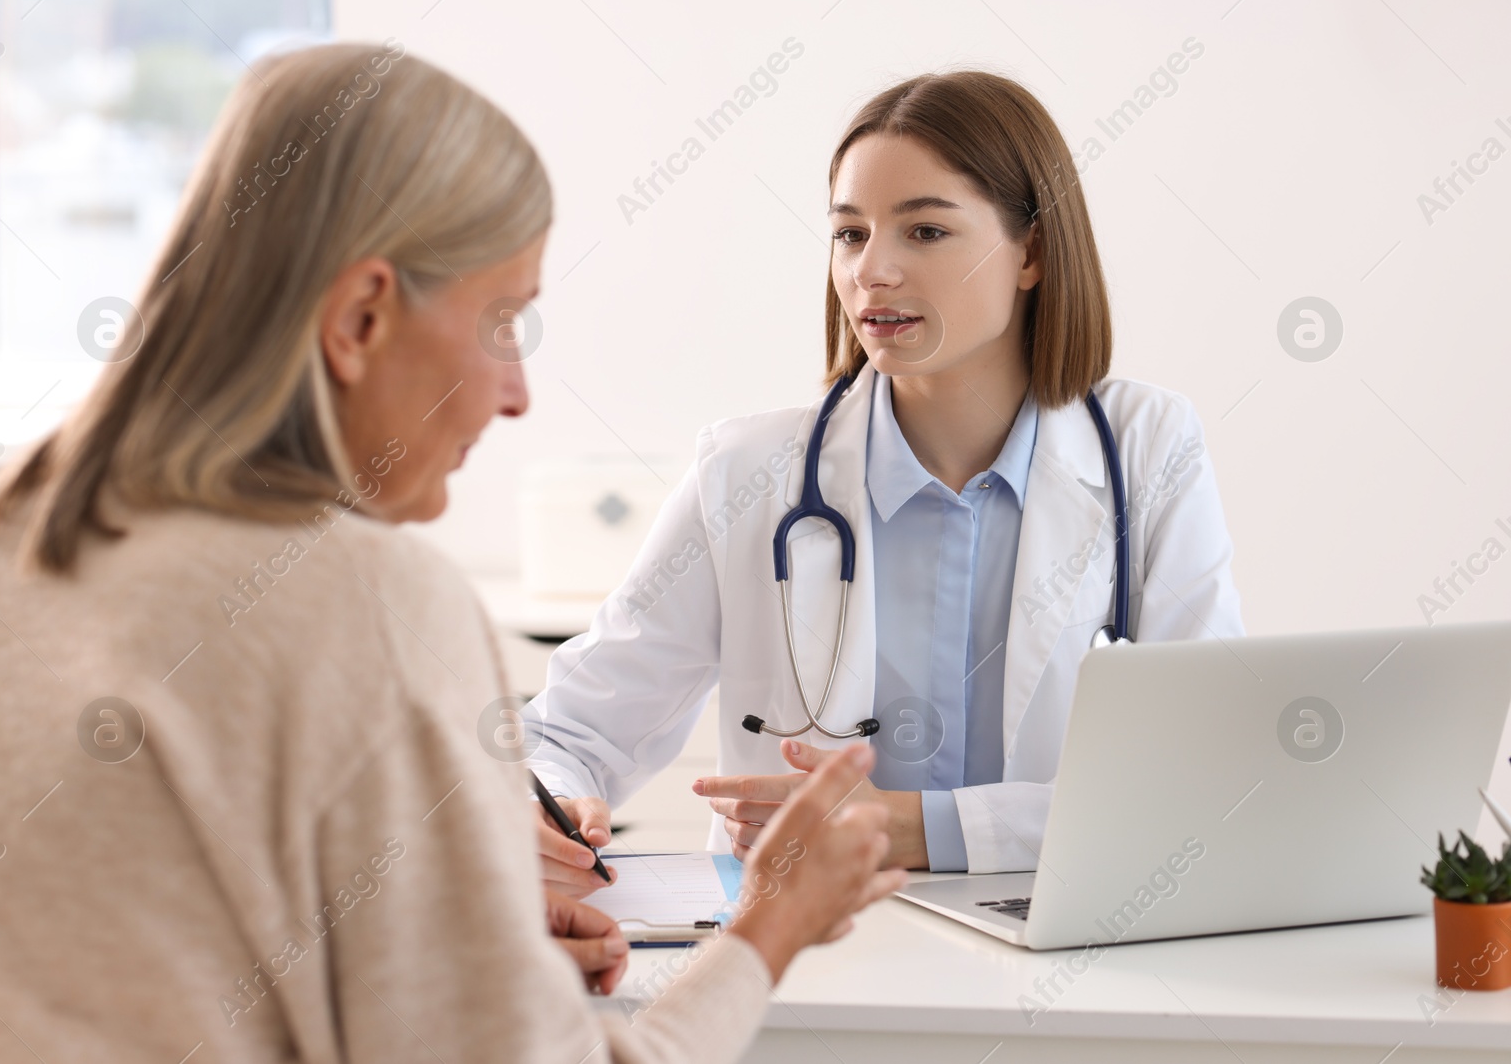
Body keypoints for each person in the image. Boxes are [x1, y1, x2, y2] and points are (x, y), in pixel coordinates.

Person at [0, 42, 904, 1063]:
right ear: (361, 317)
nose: (515, 393)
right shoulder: (367, 598)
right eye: (505, 321)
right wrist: (767, 929)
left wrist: (454, 940)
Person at [529, 70, 1245, 895]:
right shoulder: (746, 471)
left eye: (926, 231)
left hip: (1065, 953)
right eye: (849, 234)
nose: (873, 270)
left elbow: (1208, 774)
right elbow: (570, 731)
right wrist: (551, 799)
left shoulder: (1149, 450)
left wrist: (914, 829)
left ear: (1033, 253)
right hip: (805, 960)